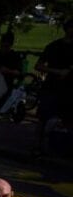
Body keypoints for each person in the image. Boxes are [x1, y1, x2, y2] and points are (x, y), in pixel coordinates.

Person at [33, 19, 73, 155]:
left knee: (68, 118)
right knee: (43, 117)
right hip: (52, 86)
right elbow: (38, 65)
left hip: (69, 89)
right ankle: (38, 146)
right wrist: (57, 71)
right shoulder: (54, 46)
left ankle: (64, 147)